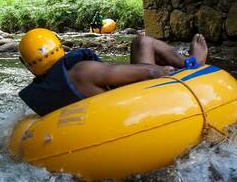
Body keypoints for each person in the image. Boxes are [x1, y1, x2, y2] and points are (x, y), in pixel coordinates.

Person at [18, 28, 208, 116]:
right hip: (140, 111)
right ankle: (193, 62)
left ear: (26, 64)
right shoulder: (83, 71)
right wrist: (173, 71)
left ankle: (187, 61)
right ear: (60, 47)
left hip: (100, 122)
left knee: (141, 42)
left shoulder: (45, 91)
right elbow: (151, 74)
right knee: (144, 42)